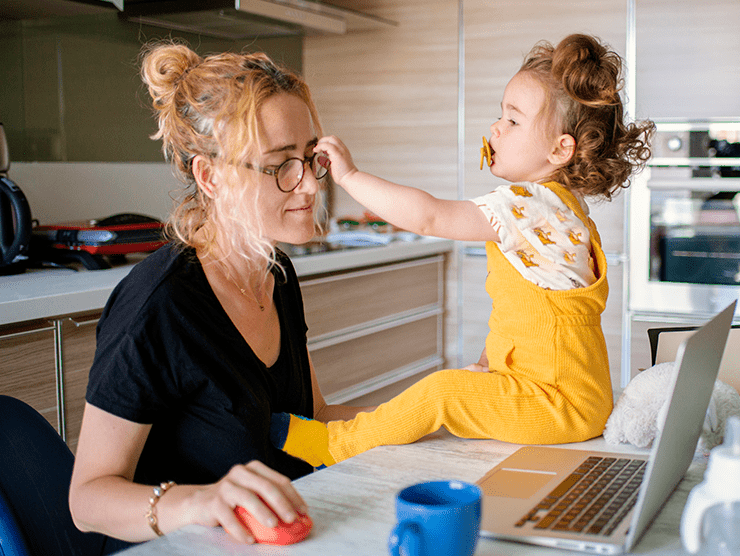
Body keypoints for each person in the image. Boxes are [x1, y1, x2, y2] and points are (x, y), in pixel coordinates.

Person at [270, 33, 655, 467]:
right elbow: (526, 315)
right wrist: (488, 367)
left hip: (558, 404)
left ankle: (332, 446)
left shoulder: (529, 204)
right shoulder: (560, 209)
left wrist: (351, 176)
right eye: (500, 116)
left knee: (442, 393)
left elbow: (430, 217)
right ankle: (354, 433)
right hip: (566, 398)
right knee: (456, 393)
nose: (495, 128)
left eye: (513, 121)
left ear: (559, 148)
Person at [68, 41, 367, 551]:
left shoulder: (278, 274)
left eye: (309, 158)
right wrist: (200, 502)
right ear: (210, 176)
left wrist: (439, 407)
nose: (311, 187)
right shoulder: (158, 305)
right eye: (279, 165)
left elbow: (314, 419)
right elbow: (88, 501)